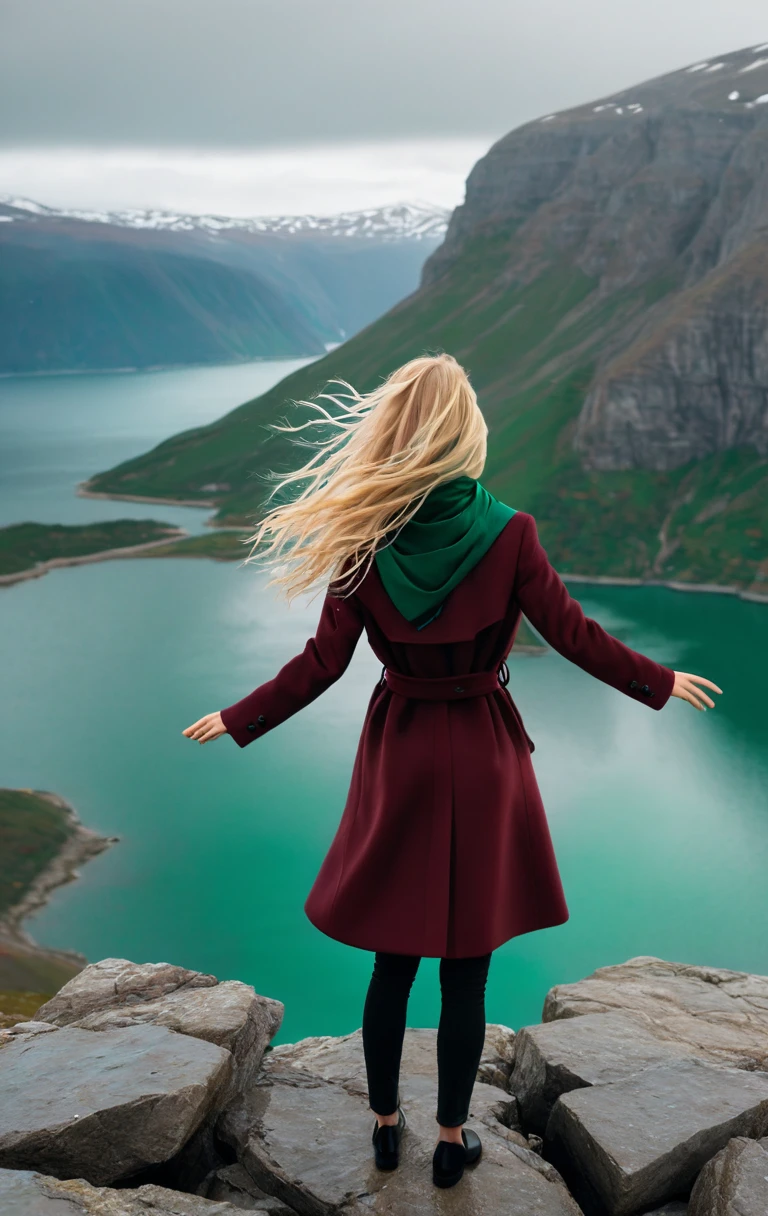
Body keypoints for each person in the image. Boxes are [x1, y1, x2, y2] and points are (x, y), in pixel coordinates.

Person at [183, 352, 721, 1190]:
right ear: (464, 431)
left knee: (393, 958)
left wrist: (241, 716)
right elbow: (574, 634)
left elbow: (323, 664)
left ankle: (385, 1127)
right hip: (480, 751)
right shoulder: (511, 533)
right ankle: (448, 1139)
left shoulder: (364, 534)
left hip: (401, 750)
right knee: (467, 964)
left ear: (397, 431)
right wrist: (658, 680)